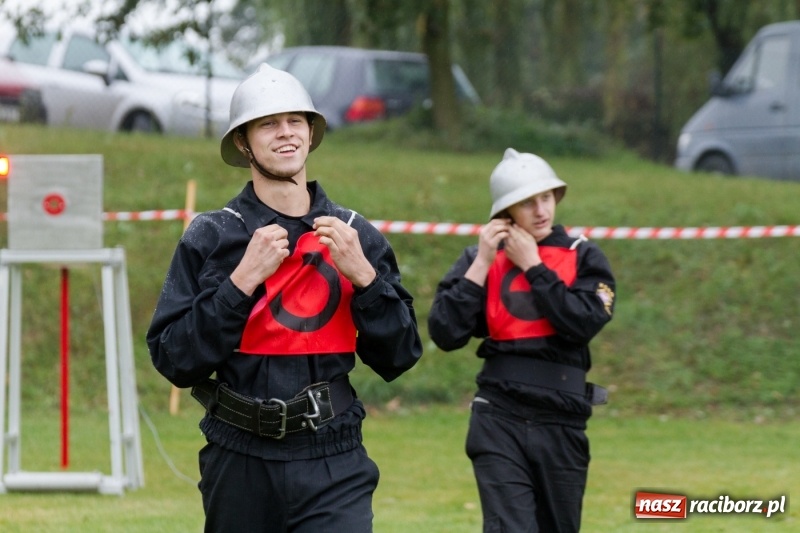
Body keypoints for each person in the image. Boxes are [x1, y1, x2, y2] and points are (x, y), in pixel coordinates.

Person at [146, 63, 423, 533]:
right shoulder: (212, 235)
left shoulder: (356, 236)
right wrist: (240, 284)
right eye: (268, 124)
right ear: (243, 142)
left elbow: (400, 354)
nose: (285, 133)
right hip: (238, 458)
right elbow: (174, 359)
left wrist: (365, 280)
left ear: (311, 132)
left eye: (296, 121)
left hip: (333, 458)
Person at [427, 148, 615, 533]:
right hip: (498, 416)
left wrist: (534, 266)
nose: (541, 210)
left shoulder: (584, 256)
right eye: (527, 203)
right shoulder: (479, 259)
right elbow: (445, 332)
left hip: (562, 418)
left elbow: (581, 323)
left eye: (546, 198)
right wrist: (480, 264)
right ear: (505, 212)